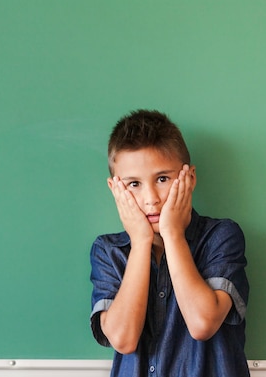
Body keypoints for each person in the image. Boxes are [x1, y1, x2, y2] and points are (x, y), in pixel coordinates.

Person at [89, 109, 250, 377]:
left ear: (189, 178)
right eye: (134, 184)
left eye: (162, 179)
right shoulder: (109, 251)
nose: (151, 198)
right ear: (115, 188)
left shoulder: (222, 236)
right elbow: (124, 339)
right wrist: (140, 243)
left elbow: (202, 324)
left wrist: (172, 234)